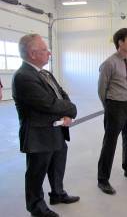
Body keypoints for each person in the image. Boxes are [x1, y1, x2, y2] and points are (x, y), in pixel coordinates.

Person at [12, 34, 79, 217]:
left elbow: (61, 94)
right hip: (39, 135)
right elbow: (47, 103)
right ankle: (36, 207)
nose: (49, 52)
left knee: (58, 164)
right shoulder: (23, 76)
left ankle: (57, 194)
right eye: (44, 49)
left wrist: (67, 113)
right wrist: (71, 109)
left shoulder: (45, 73)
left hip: (55, 129)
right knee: (36, 172)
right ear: (33, 54)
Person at [97, 28, 127, 195]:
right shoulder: (109, 63)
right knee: (110, 142)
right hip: (115, 105)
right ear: (121, 42)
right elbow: (101, 88)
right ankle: (103, 179)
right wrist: (109, 106)